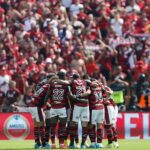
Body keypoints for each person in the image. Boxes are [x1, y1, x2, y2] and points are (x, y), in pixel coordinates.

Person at [69, 72, 91, 149]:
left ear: (73, 78)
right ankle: (83, 144)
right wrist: (81, 96)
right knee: (84, 126)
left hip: (77, 106)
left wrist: (77, 96)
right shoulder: (86, 82)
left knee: (74, 125)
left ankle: (76, 143)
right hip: (86, 106)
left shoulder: (71, 82)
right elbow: (89, 92)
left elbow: (70, 95)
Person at [88, 79, 105, 148]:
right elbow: (104, 92)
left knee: (91, 125)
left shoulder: (90, 87)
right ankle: (99, 143)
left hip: (94, 108)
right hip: (101, 107)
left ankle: (93, 143)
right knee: (99, 126)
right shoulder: (100, 87)